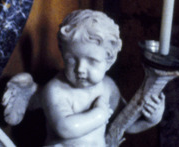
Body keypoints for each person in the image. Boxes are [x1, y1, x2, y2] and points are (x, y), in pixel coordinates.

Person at [39, 10, 164, 147]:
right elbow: (65, 128)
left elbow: (123, 124)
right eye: (71, 60)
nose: (80, 69)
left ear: (108, 61)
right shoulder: (56, 90)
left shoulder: (108, 87)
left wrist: (152, 120)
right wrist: (99, 114)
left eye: (92, 61)